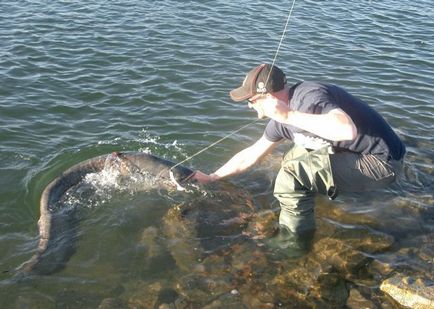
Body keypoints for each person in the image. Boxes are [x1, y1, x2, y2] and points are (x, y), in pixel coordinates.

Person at [193, 63, 405, 255]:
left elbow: (346, 130)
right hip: (357, 155)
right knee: (292, 157)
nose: (248, 105)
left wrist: (288, 116)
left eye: (250, 100)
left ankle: (294, 243)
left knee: (291, 175)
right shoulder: (280, 121)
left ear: (267, 98)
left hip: (383, 163)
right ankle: (309, 205)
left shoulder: (309, 97)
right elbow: (252, 153)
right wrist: (212, 177)